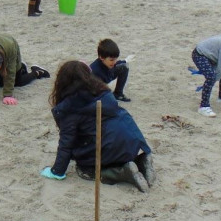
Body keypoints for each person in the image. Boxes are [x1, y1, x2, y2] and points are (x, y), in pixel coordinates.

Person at [40, 60, 154, 192]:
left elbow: (67, 142)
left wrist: (57, 171)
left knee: (85, 169)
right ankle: (142, 160)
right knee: (113, 145)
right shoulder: (103, 91)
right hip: (134, 142)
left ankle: (123, 173)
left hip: (109, 147)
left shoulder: (69, 108)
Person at [0, 34, 50, 107]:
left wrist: (7, 95)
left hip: (10, 45)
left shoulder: (10, 49)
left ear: (2, 61)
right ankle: (21, 67)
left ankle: (36, 72)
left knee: (18, 82)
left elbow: (10, 74)